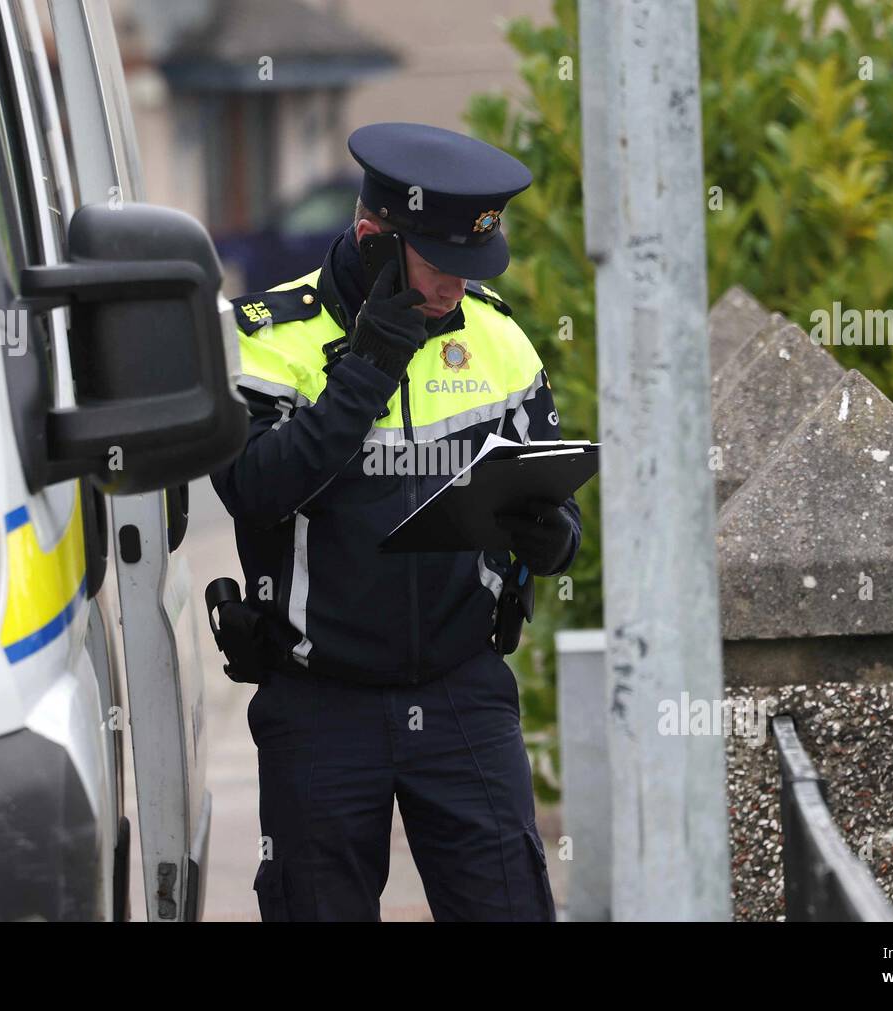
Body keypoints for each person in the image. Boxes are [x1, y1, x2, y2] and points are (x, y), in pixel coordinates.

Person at [210, 122, 581, 921]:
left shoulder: (498, 335)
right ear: (374, 238)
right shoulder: (266, 340)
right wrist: (370, 365)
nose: (455, 287)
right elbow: (254, 488)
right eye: (441, 264)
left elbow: (549, 484)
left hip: (462, 690)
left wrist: (558, 535)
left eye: (472, 266)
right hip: (321, 701)